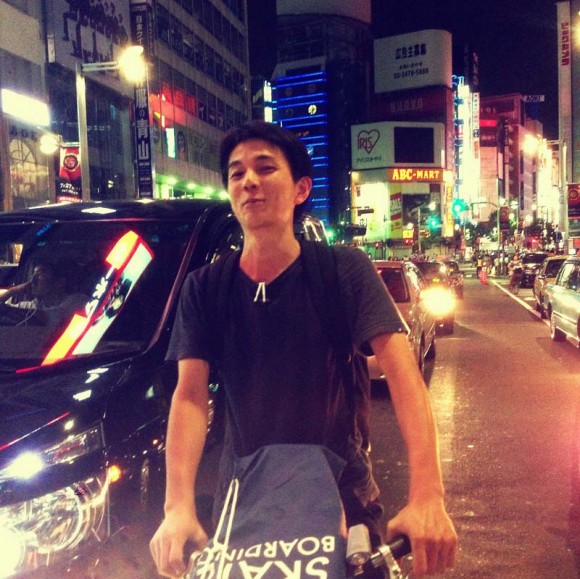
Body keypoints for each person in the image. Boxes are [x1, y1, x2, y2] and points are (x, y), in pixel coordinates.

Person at [149, 121, 458, 577]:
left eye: (265, 168)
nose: (248, 181)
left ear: (300, 189)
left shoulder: (343, 270)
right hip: (242, 507)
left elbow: (404, 377)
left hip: (343, 499)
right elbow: (190, 397)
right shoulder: (205, 287)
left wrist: (428, 495)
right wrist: (177, 507)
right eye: (236, 173)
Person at [0, 260, 87, 327]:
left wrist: (10, 311)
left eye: (40, 275)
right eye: (32, 276)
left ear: (59, 283)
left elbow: (53, 316)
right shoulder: (32, 305)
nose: (32, 281)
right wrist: (12, 291)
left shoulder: (78, 301)